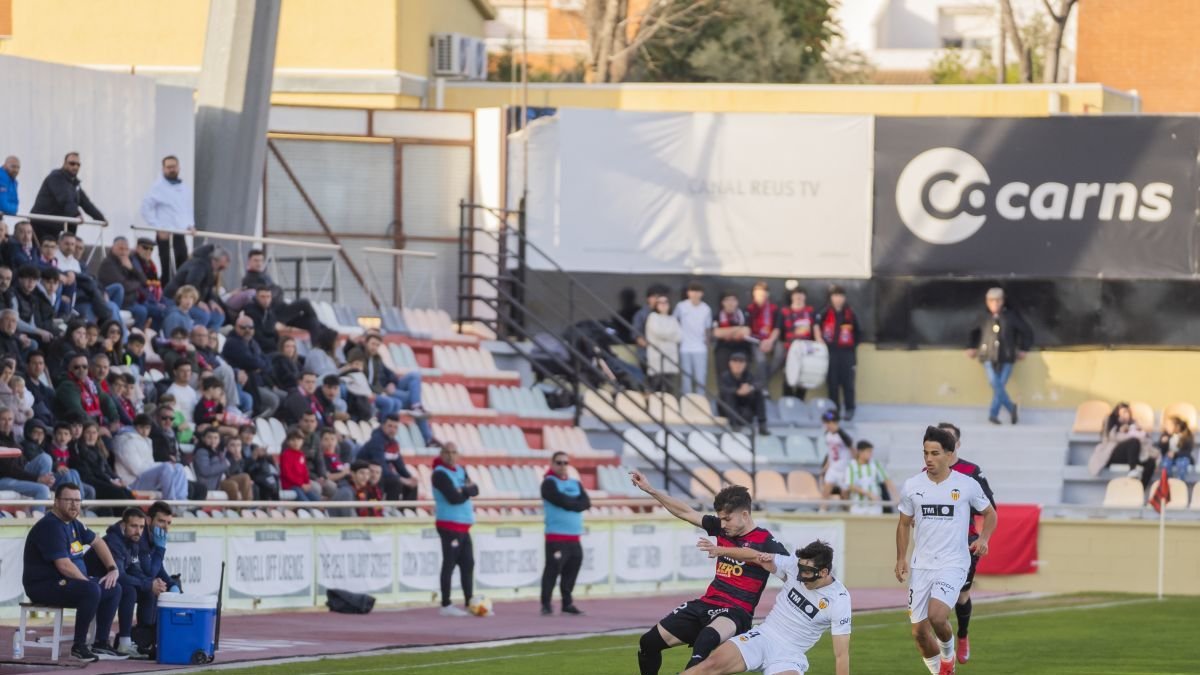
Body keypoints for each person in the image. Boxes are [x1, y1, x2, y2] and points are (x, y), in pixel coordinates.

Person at [629, 472, 786, 673]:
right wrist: (650, 490)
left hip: (736, 612)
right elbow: (686, 512)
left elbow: (788, 568)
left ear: (745, 515)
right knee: (648, 643)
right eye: (721, 519)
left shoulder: (766, 541)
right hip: (707, 603)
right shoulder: (722, 528)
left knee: (704, 642)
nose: (723, 524)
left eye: (727, 519)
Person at [896, 426, 998, 675]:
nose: (928, 458)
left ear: (949, 455)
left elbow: (990, 513)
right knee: (919, 633)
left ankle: (948, 658)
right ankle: (942, 672)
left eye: (935, 453)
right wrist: (901, 558)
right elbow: (903, 524)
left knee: (938, 617)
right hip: (922, 565)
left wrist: (984, 538)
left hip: (954, 562)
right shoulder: (912, 486)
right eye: (925, 453)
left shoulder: (967, 484)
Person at [687, 540, 851, 675]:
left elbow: (841, 655)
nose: (800, 576)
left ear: (823, 572)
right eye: (800, 569)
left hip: (789, 655)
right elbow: (755, 556)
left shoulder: (838, 600)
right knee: (710, 665)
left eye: (806, 572)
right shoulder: (793, 565)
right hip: (763, 636)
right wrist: (720, 550)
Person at [22, 483, 123, 662]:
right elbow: (64, 566)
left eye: (77, 500)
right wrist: (88, 582)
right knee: (91, 590)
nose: (74, 505)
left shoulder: (74, 523)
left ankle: (101, 643)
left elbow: (98, 542)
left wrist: (112, 568)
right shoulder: (50, 526)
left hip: (68, 582)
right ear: (56, 502)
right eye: (69, 500)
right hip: (44, 585)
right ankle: (79, 646)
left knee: (114, 588)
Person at [935, 422, 996, 665]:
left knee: (961, 594)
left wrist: (983, 538)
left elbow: (990, 508)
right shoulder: (927, 471)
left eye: (949, 438)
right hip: (936, 543)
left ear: (957, 444)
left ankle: (962, 635)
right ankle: (943, 645)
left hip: (965, 541)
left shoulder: (970, 471)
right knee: (933, 595)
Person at [83, 507, 157, 659]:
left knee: (148, 592)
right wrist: (148, 584)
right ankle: (123, 643)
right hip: (90, 583)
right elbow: (120, 576)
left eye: (141, 527)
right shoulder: (113, 541)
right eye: (134, 526)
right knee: (129, 590)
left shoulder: (133, 541)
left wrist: (151, 583)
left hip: (108, 583)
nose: (138, 531)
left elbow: (135, 570)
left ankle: (143, 641)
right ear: (123, 525)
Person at [966, 288, 1033, 425]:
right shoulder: (983, 317)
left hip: (1007, 355)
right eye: (991, 301)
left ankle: (993, 414)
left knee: (1000, 384)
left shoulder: (1011, 316)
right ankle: (1011, 407)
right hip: (988, 355)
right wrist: (971, 347)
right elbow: (972, 332)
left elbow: (1026, 332)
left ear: (1002, 301)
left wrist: (1023, 349)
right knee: (995, 382)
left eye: (997, 300)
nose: (995, 304)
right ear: (987, 302)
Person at [240, 249, 333, 341]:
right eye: (256, 260)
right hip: (274, 314)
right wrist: (275, 291)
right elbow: (267, 294)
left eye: (261, 260)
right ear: (249, 261)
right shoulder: (249, 279)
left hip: (283, 308)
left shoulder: (265, 275)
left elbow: (278, 290)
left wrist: (276, 291)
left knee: (311, 322)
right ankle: (326, 331)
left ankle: (320, 343)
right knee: (304, 303)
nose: (259, 263)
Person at [431, 443, 479, 616]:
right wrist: (466, 490)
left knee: (468, 563)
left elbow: (475, 490)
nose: (451, 456)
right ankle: (446, 603)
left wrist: (462, 490)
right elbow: (453, 497)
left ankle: (469, 601)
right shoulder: (439, 474)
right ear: (441, 454)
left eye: (454, 452)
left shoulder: (461, 470)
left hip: (464, 524)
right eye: (447, 452)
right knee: (450, 563)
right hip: (449, 524)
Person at [540, 451, 590, 616]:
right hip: (556, 536)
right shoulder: (548, 483)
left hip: (574, 536)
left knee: (572, 571)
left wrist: (571, 503)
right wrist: (575, 503)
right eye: (559, 462)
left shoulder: (575, 482)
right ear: (552, 464)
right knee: (552, 570)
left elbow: (586, 503)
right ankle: (546, 603)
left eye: (565, 463)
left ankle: (567, 603)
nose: (562, 466)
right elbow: (560, 500)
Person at [140, 155, 194, 285]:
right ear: (163, 169)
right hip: (166, 235)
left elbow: (186, 209)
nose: (171, 169)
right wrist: (158, 227)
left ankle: (181, 294)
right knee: (168, 269)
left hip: (180, 234)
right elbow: (145, 208)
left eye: (174, 166)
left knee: (183, 268)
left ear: (178, 167)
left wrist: (190, 225)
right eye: (168, 167)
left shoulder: (184, 187)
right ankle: (166, 294)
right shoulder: (158, 187)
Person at [30, 152, 105, 240]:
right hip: (42, 224)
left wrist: (101, 218)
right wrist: (76, 215)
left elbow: (86, 203)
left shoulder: (74, 183)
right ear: (65, 164)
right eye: (72, 163)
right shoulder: (55, 177)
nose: (75, 167)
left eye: (78, 164)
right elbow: (65, 199)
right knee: (45, 248)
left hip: (56, 226)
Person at [221, 313, 280, 416]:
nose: (247, 330)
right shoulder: (232, 343)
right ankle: (255, 420)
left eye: (251, 327)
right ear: (236, 327)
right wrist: (260, 365)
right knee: (273, 401)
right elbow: (252, 362)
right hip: (245, 385)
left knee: (283, 396)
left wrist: (260, 366)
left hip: (260, 382)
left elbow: (267, 362)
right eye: (243, 328)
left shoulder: (253, 342)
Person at [818, 285, 861, 421]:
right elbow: (816, 326)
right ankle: (834, 409)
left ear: (844, 297)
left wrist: (851, 347)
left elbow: (858, 333)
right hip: (830, 353)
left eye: (841, 295)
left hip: (847, 353)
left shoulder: (850, 313)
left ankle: (849, 409)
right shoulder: (825, 312)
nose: (838, 299)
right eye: (835, 295)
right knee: (832, 382)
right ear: (831, 297)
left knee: (848, 383)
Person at [1088, 402, 1155, 487]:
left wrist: (1138, 431)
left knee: (1151, 462)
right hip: (1112, 453)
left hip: (1131, 455)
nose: (1126, 414)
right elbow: (1111, 437)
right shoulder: (1111, 420)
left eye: (1127, 412)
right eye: (1123, 412)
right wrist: (1123, 431)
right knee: (1133, 441)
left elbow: (1145, 439)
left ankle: (1141, 488)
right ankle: (1132, 469)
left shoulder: (1133, 424)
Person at [163, 244, 229, 331]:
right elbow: (191, 284)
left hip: (192, 299)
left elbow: (208, 288)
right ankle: (194, 336)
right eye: (221, 268)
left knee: (218, 316)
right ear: (215, 260)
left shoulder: (209, 269)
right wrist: (198, 302)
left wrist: (211, 301)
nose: (221, 271)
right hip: (175, 299)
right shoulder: (199, 265)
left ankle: (210, 337)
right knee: (202, 315)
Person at [358, 414, 419, 501]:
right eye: (390, 426)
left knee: (412, 484)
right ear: (383, 426)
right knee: (395, 481)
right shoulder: (376, 441)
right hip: (368, 474)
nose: (392, 430)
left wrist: (409, 478)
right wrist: (401, 479)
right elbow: (381, 467)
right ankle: (390, 508)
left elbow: (400, 466)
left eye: (395, 427)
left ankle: (407, 508)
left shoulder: (393, 443)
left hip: (380, 473)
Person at [778, 286, 823, 400]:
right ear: (792, 297)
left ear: (805, 296)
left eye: (801, 294)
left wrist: (819, 341)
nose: (798, 296)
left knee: (804, 376)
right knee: (789, 376)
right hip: (790, 349)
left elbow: (816, 327)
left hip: (806, 349)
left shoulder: (811, 311)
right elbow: (778, 330)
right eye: (796, 294)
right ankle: (788, 401)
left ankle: (799, 401)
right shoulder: (784, 311)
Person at [97, 237, 150, 329]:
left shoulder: (128, 261)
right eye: (121, 249)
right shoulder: (108, 264)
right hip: (117, 301)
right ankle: (133, 334)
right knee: (142, 311)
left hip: (131, 301)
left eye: (126, 249)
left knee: (156, 310)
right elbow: (124, 286)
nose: (124, 252)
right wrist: (137, 283)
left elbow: (145, 281)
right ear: (113, 248)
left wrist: (132, 269)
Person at [673, 282, 712, 395]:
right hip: (684, 348)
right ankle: (687, 401)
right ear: (688, 293)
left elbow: (708, 328)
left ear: (702, 293)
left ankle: (700, 402)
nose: (695, 294)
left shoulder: (706, 308)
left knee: (700, 378)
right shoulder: (681, 306)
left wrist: (707, 343)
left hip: (700, 348)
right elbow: (674, 321)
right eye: (692, 291)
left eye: (698, 291)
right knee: (686, 378)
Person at [717, 353, 769, 436]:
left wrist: (750, 388)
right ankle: (734, 425)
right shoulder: (725, 376)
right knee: (729, 395)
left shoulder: (748, 375)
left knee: (758, 393)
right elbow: (723, 390)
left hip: (743, 410)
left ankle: (762, 425)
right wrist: (737, 391)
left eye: (741, 362)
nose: (738, 365)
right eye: (735, 362)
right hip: (728, 412)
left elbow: (759, 384)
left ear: (745, 364)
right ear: (730, 364)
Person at [845, 440, 895, 516]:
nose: (871, 454)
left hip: (874, 505)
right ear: (860, 452)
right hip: (858, 505)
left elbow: (887, 480)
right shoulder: (851, 465)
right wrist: (869, 494)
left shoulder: (875, 463)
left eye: (871, 451)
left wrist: (896, 496)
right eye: (868, 451)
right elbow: (850, 485)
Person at [746, 281, 780, 390]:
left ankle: (759, 382)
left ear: (767, 294)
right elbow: (747, 330)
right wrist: (760, 342)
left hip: (770, 339)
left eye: (763, 293)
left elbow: (777, 328)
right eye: (758, 293)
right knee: (761, 361)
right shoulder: (749, 309)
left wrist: (769, 341)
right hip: (755, 340)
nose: (761, 296)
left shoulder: (774, 308)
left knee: (781, 352)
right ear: (754, 294)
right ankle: (763, 389)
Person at [644, 295, 681, 394]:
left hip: (670, 359)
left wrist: (666, 335)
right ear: (656, 305)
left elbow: (679, 336)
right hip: (657, 359)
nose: (663, 305)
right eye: (660, 303)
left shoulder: (673, 319)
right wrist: (670, 335)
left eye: (666, 302)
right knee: (655, 388)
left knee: (670, 390)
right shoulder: (653, 317)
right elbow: (658, 332)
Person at [712, 291, 752, 382]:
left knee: (743, 368)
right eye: (727, 300)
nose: (730, 303)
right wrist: (738, 328)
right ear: (722, 303)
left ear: (737, 302)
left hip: (742, 347)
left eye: (733, 300)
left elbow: (746, 331)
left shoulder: (744, 314)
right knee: (722, 363)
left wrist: (726, 332)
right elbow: (716, 333)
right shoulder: (717, 316)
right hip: (724, 347)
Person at [819, 411, 854, 503]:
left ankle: (847, 509)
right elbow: (830, 453)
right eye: (826, 423)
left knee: (844, 493)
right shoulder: (827, 435)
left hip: (843, 469)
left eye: (829, 423)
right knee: (826, 490)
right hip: (833, 467)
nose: (827, 425)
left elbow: (852, 450)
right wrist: (826, 466)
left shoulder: (843, 436)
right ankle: (822, 509)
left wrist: (853, 465)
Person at [280, 430, 321, 501]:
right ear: (288, 442)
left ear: (302, 441)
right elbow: (287, 474)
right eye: (293, 440)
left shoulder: (301, 455)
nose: (296, 442)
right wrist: (301, 484)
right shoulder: (286, 455)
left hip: (302, 485)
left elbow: (304, 471)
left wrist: (307, 483)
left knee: (317, 500)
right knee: (305, 501)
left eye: (298, 440)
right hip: (291, 486)